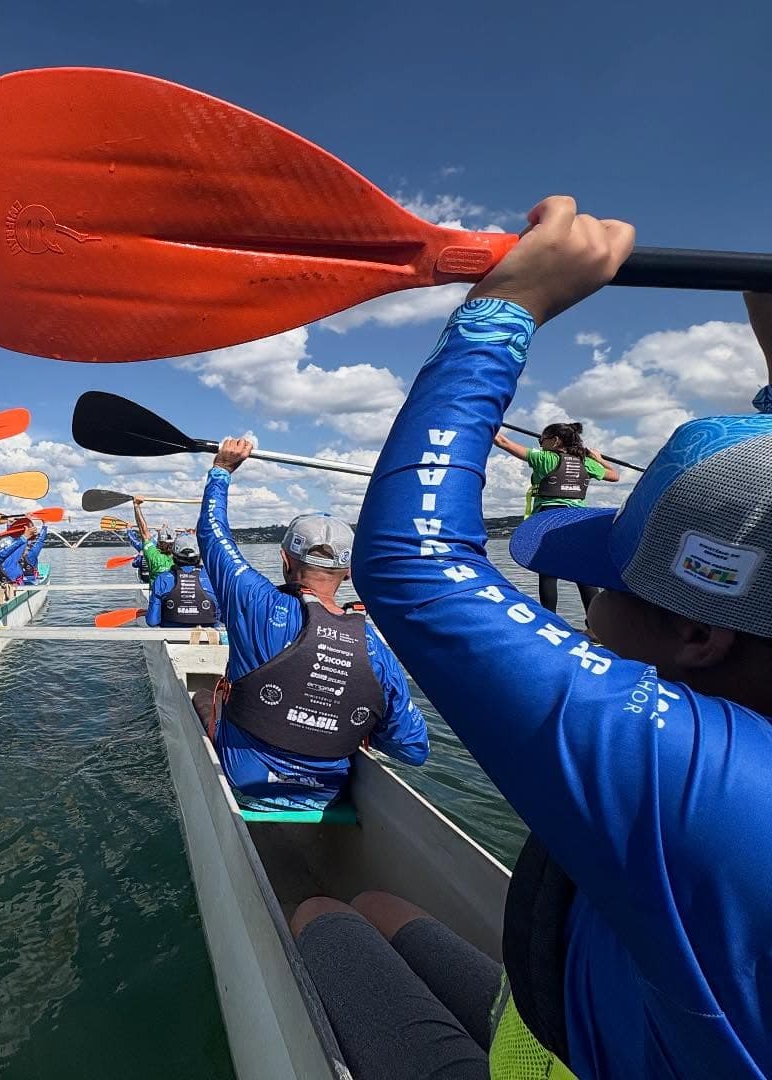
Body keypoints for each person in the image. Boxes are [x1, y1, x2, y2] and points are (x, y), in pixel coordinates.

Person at [295, 197, 772, 1079]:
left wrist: (502, 313)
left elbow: (413, 563)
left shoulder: (701, 789)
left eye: (604, 584)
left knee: (322, 917)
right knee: (380, 905)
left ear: (698, 633)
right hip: (582, 1018)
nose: (588, 609)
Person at [194, 446, 428, 813]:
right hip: (327, 791)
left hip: (246, 779)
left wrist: (222, 469)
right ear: (349, 574)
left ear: (285, 561)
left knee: (204, 696)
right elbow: (414, 750)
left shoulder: (253, 600)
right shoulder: (377, 650)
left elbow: (212, 535)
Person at [492, 422, 619, 615]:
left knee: (548, 573)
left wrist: (484, 419)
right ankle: (594, 628)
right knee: (583, 572)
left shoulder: (544, 458)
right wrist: (599, 459)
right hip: (577, 520)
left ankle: (550, 619)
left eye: (541, 440)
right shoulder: (586, 462)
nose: (540, 444)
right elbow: (615, 476)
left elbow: (501, 441)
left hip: (549, 519)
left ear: (555, 440)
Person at [146, 536, 219, 628]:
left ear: (174, 555)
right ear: (199, 555)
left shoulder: (162, 579)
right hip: (208, 638)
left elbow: (152, 621)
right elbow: (223, 617)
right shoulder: (214, 578)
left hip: (172, 637)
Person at [132, 498, 175, 583]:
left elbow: (144, 531)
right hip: (174, 595)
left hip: (155, 594)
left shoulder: (153, 555)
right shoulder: (180, 558)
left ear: (158, 542)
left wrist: (136, 506)